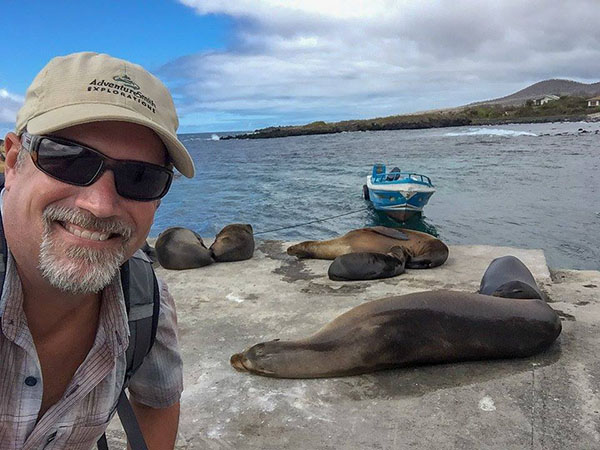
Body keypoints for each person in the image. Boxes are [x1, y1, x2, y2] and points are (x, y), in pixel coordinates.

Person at [0, 52, 195, 449]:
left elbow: (158, 401)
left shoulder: (144, 302)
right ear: (14, 160)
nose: (100, 205)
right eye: (68, 160)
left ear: (158, 200)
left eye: (140, 177)